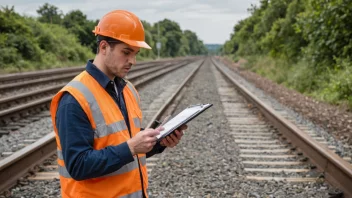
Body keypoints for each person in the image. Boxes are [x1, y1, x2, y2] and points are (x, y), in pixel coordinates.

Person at [50, 10, 186, 198]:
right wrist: (130, 147)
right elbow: (78, 165)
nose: (133, 61)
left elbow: (125, 145)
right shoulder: (74, 98)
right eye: (126, 52)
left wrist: (158, 142)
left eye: (136, 53)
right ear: (104, 47)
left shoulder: (127, 89)